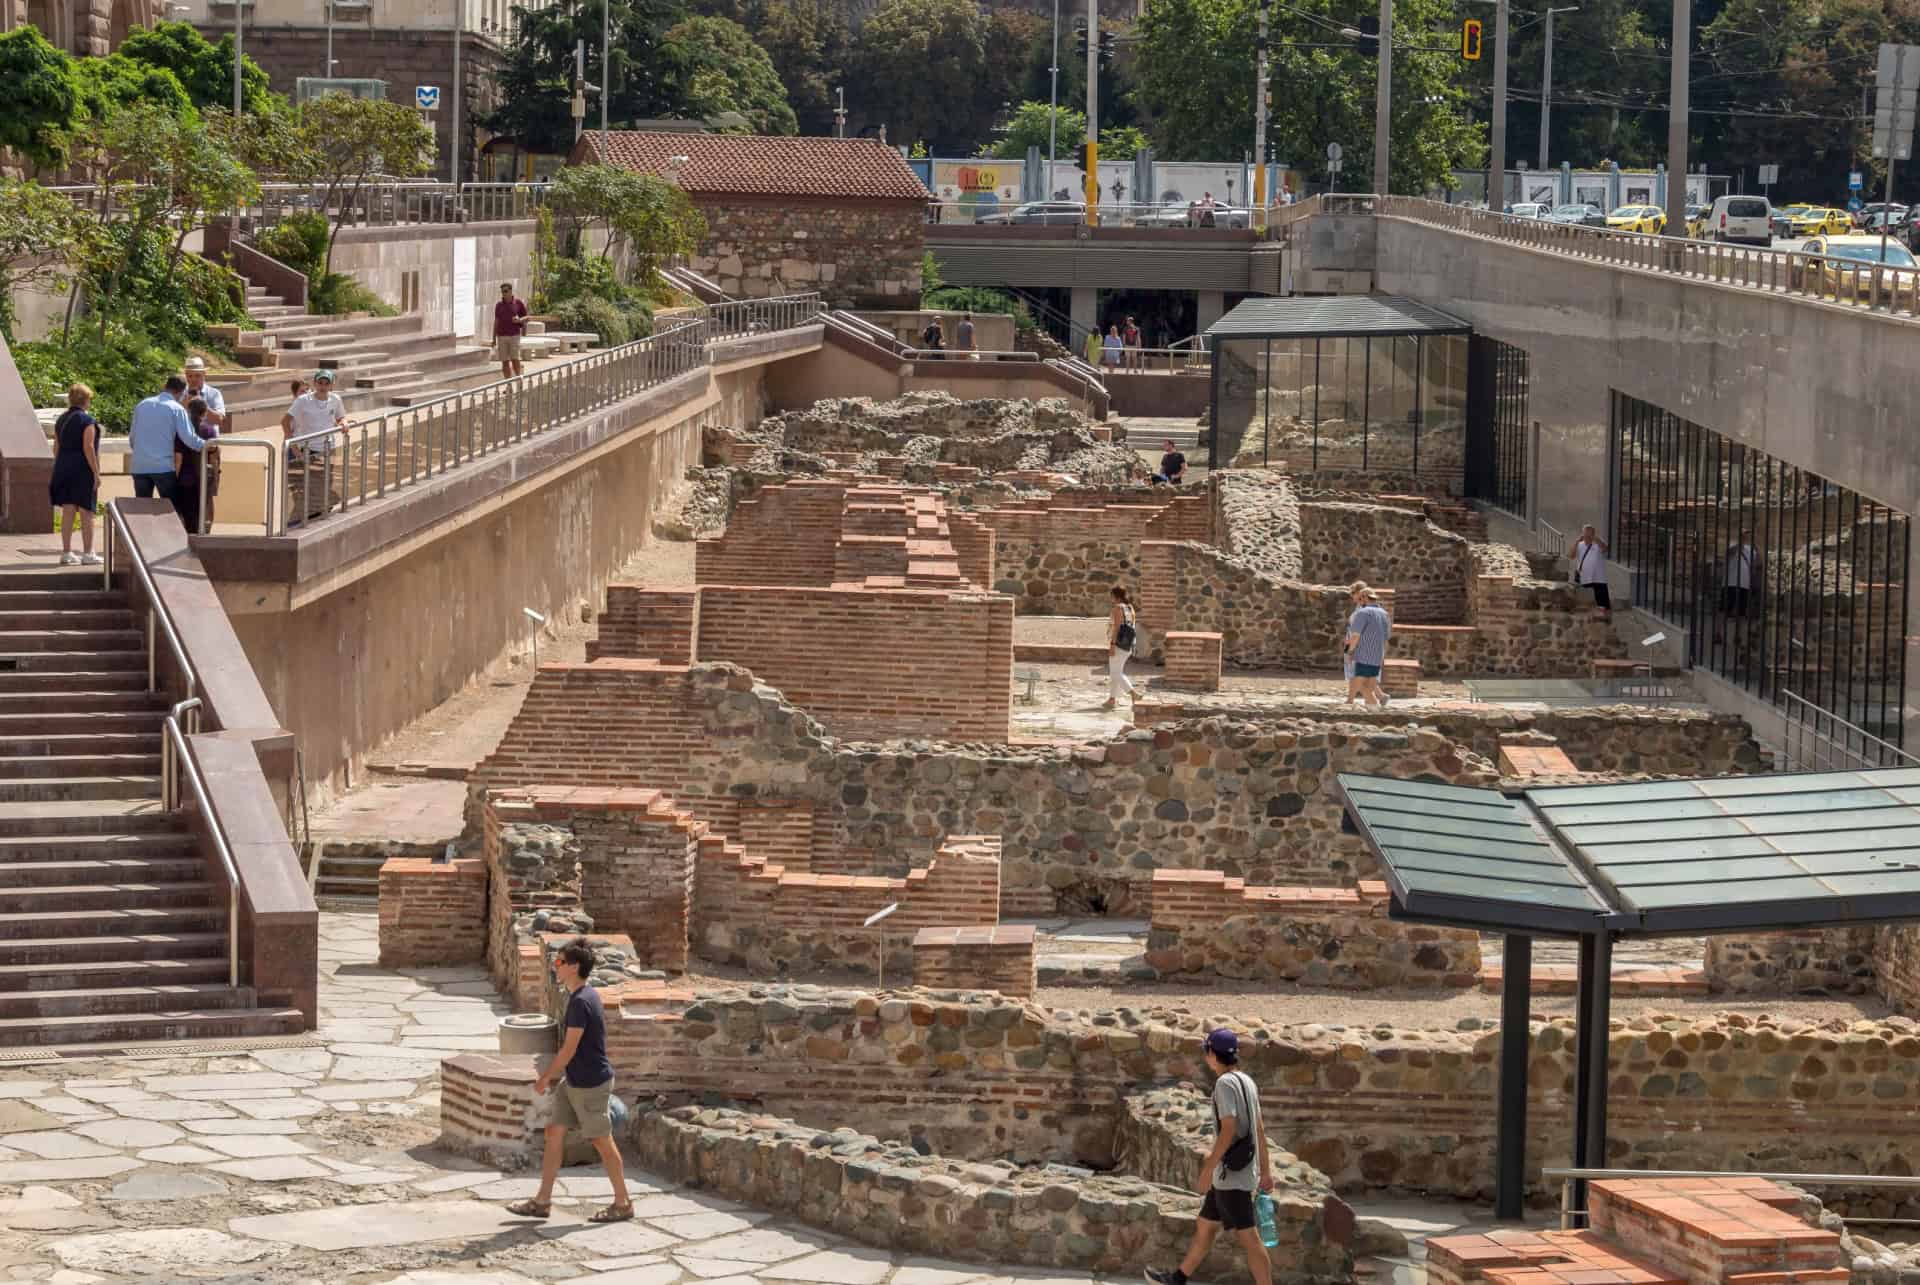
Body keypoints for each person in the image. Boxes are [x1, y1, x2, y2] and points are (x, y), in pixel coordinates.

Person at [506, 937, 634, 1224]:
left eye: (560, 962)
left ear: (574, 967)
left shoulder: (581, 1002)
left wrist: (545, 1078)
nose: (555, 966)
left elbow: (569, 1049)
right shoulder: (581, 996)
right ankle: (542, 1201)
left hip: (590, 1083)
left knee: (602, 1141)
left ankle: (623, 1203)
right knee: (554, 1132)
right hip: (574, 1080)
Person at [1144, 1028, 1276, 1285]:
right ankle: (1177, 1279)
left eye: (1207, 1051)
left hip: (1231, 1176)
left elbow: (1228, 1129)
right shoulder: (1247, 1081)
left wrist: (1207, 1169)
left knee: (1250, 1238)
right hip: (1235, 1173)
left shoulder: (1225, 1084)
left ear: (1212, 1054)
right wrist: (1266, 1171)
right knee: (1205, 1225)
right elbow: (1259, 1128)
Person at [282, 370, 348, 522]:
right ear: (315, 383)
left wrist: (343, 422)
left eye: (326, 383)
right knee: (306, 488)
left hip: (327, 448)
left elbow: (340, 417)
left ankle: (318, 516)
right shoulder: (303, 400)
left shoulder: (335, 399)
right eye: (320, 383)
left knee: (325, 484)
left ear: (331, 385)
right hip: (308, 449)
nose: (323, 386)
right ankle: (299, 520)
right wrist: (294, 448)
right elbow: (285, 422)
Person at [128, 377, 206, 502]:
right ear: (181, 392)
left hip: (139, 466)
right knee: (170, 509)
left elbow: (132, 438)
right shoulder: (176, 409)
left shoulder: (142, 405)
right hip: (163, 468)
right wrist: (208, 446)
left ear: (165, 386)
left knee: (142, 510)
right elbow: (189, 439)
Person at [49, 384, 102, 566]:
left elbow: (56, 447)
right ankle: (88, 553)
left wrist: (58, 468)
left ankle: (66, 552)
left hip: (63, 467)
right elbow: (88, 447)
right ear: (86, 400)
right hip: (82, 470)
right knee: (87, 512)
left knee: (68, 511)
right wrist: (96, 472)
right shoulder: (87, 421)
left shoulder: (61, 420)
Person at [173, 396, 219, 533]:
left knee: (187, 512)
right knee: (205, 507)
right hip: (204, 477)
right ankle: (205, 534)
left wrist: (175, 478)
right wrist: (215, 475)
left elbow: (178, 457)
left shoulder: (182, 430)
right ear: (205, 413)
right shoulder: (210, 430)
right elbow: (215, 456)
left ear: (188, 410)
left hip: (185, 478)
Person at [1343, 582, 1392, 707]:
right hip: (1376, 656)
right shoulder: (1384, 614)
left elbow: (1355, 636)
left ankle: (1351, 703)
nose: (1358, 601)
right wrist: (1382, 657)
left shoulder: (1362, 613)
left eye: (1360, 598)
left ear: (1364, 598)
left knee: (1361, 684)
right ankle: (1373, 710)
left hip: (1363, 654)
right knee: (1368, 688)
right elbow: (1386, 638)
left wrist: (1349, 651)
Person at [1105, 585, 1138, 712]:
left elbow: (1117, 628)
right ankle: (1112, 699)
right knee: (1116, 672)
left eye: (1111, 595)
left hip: (1118, 644)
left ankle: (1133, 693)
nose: (1111, 598)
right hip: (1128, 644)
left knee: (1115, 673)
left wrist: (1112, 644)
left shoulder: (1118, 608)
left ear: (1115, 596)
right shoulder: (1130, 608)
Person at [1571, 524, 1611, 616]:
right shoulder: (1579, 544)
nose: (1587, 537)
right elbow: (1571, 556)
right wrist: (1577, 541)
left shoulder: (1598, 544)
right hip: (1584, 579)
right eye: (1585, 534)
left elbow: (1605, 549)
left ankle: (1604, 621)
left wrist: (1597, 539)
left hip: (1599, 579)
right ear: (1582, 534)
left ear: (1593, 534)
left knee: (1602, 605)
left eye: (1590, 534)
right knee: (1584, 604)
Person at [494, 282, 529, 378]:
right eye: (502, 292)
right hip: (502, 336)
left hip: (514, 335)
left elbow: (527, 317)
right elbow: (496, 321)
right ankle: (508, 385)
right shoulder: (499, 305)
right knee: (504, 362)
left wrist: (519, 320)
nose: (504, 294)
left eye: (505, 291)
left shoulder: (518, 303)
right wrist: (494, 338)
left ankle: (518, 379)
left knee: (515, 359)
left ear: (510, 291)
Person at [182, 355, 225, 431]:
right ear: (186, 375)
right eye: (190, 376)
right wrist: (183, 406)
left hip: (208, 441)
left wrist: (202, 406)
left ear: (204, 374)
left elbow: (219, 420)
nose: (193, 379)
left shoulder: (214, 393)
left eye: (197, 375)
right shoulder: (180, 394)